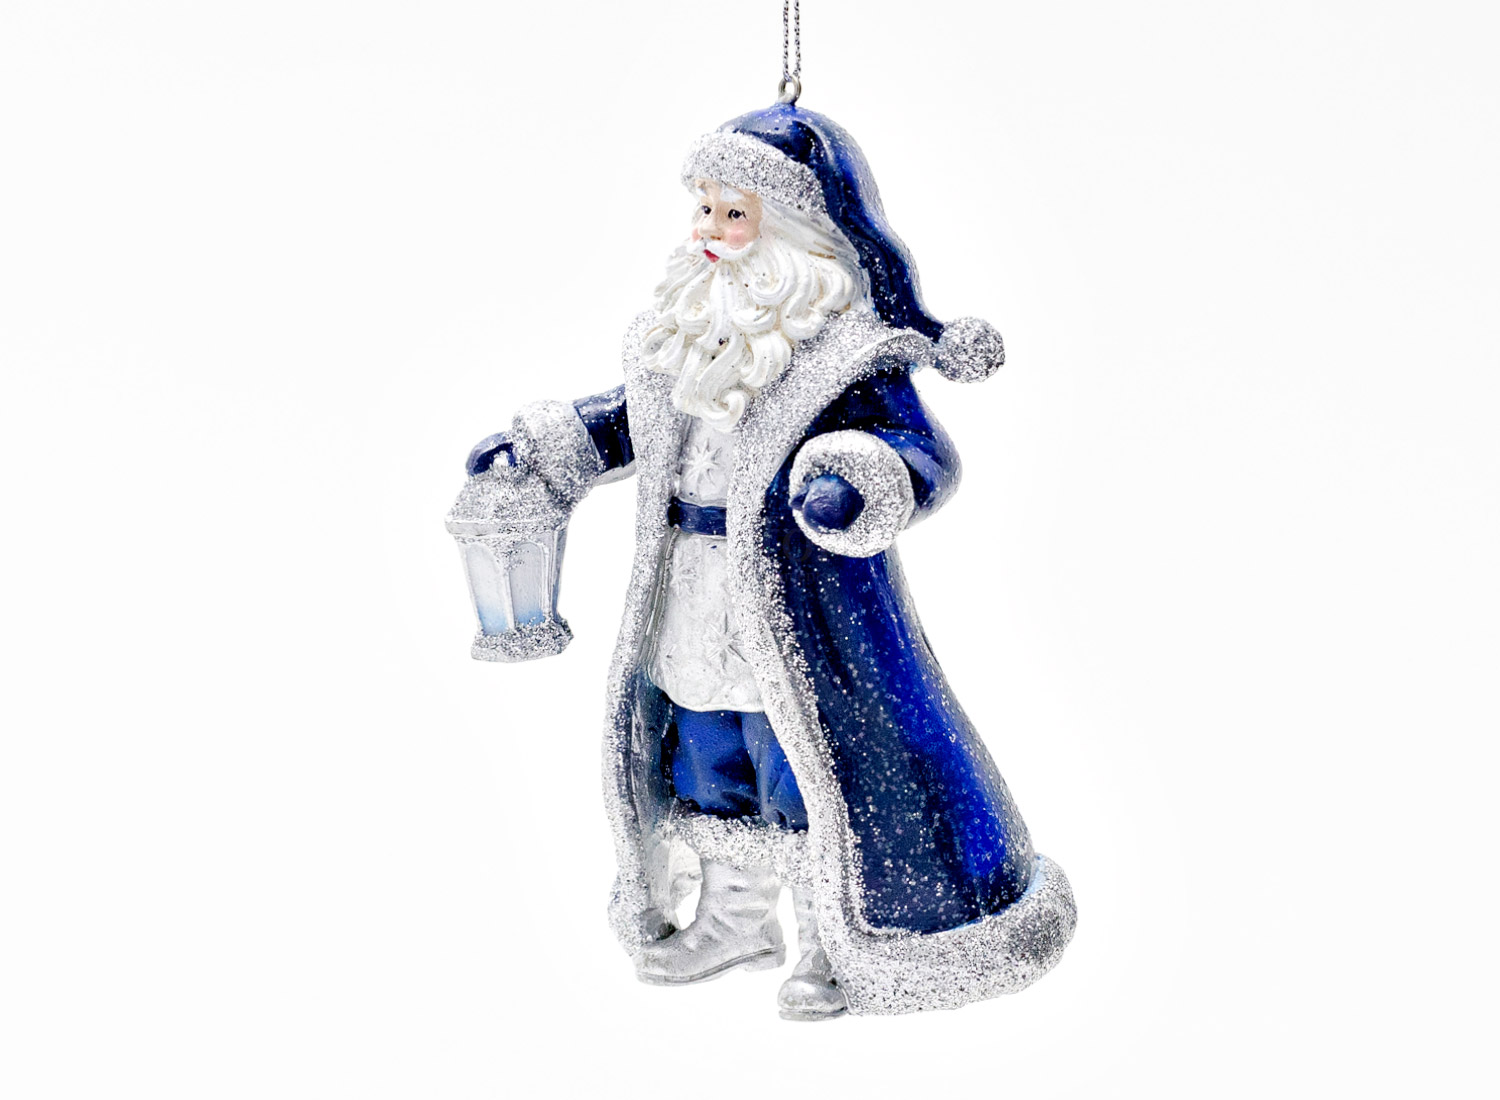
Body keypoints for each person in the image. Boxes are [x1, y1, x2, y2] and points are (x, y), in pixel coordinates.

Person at [463, 104, 1075, 1019]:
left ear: (790, 229)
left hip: (800, 603)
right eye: (702, 209)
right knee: (704, 760)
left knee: (806, 768)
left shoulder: (847, 357)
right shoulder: (679, 339)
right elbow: (626, 422)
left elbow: (922, 454)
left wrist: (861, 482)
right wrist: (544, 448)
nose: (709, 231)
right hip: (688, 588)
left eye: (733, 213)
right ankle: (735, 918)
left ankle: (834, 939)